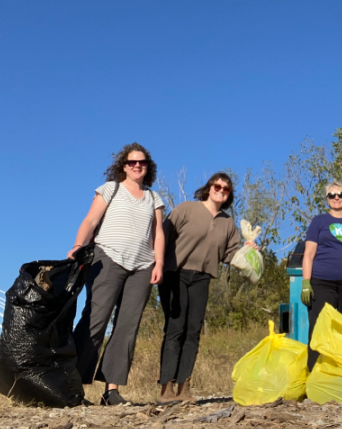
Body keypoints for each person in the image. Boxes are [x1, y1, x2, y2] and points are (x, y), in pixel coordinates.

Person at [70, 143, 165, 406]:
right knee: (96, 319)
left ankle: (111, 390)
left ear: (148, 166)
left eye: (142, 162)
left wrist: (158, 263)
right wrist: (78, 246)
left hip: (142, 266)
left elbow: (158, 233)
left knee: (127, 326)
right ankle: (73, 386)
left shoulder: (153, 198)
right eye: (132, 162)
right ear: (123, 165)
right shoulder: (110, 189)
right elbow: (90, 221)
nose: (138, 166)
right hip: (108, 257)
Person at [158, 172, 258, 404]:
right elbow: (163, 237)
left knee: (193, 332)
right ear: (208, 187)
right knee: (176, 329)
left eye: (226, 189)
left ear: (229, 195)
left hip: (203, 278)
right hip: (175, 274)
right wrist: (157, 267)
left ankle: (184, 388)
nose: (221, 190)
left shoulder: (227, 223)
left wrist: (249, 250)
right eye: (217, 186)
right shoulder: (186, 209)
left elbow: (231, 255)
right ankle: (165, 389)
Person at [301, 181, 342, 370]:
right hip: (321, 282)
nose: (336, 198)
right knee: (319, 329)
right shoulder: (319, 221)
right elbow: (308, 254)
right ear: (326, 199)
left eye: (340, 194)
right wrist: (306, 283)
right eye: (332, 195)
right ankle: (314, 376)